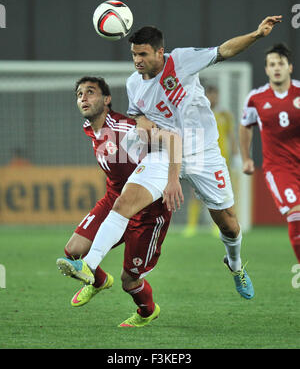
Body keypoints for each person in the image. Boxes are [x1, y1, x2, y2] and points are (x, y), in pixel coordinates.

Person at [61, 15, 281, 301]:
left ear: (159, 52)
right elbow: (138, 113)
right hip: (163, 152)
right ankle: (88, 267)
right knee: (124, 202)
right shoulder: (133, 84)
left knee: (228, 223)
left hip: (203, 153)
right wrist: (140, 123)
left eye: (142, 54)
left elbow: (223, 50)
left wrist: (257, 34)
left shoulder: (182, 60)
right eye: (133, 54)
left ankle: (235, 265)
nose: (137, 60)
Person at [56, 76, 171, 327]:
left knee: (129, 280)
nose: (83, 98)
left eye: (90, 92)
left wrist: (174, 177)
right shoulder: (90, 128)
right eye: (79, 94)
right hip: (114, 199)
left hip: (147, 210)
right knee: (73, 250)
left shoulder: (124, 127)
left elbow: (166, 144)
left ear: (107, 99)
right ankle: (98, 281)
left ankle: (147, 311)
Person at [239, 43, 300, 263]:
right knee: (296, 215)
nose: (276, 68)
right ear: (266, 70)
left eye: (281, 63)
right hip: (280, 168)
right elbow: (245, 125)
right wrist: (246, 158)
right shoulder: (256, 98)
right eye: (272, 64)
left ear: (290, 67)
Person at [183, 85, 239, 237]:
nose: (213, 98)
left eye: (215, 95)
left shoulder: (225, 115)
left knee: (220, 195)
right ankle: (191, 226)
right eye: (210, 94)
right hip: (199, 158)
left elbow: (231, 136)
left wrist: (236, 156)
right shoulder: (196, 113)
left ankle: (218, 227)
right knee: (195, 193)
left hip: (221, 160)